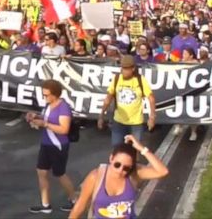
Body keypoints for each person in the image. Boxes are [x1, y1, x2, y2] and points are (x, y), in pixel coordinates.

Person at [69, 135, 169, 219]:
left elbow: (163, 171)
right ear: (111, 158)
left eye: (126, 168)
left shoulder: (134, 174)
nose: (120, 170)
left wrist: (142, 148)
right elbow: (80, 205)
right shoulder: (96, 176)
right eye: (117, 165)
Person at [26, 79, 76, 214]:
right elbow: (47, 117)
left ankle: (74, 200)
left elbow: (64, 129)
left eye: (47, 95)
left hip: (58, 145)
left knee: (60, 174)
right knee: (41, 172)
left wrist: (45, 124)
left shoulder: (63, 107)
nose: (45, 97)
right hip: (46, 144)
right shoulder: (49, 105)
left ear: (55, 94)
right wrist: (35, 116)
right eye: (44, 95)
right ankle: (45, 204)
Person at [97, 55, 156, 146]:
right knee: (117, 149)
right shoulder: (117, 78)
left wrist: (152, 117)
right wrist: (101, 115)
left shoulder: (140, 80)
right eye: (122, 68)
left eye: (126, 68)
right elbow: (108, 98)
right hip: (118, 122)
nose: (123, 71)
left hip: (136, 123)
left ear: (133, 68)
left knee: (136, 149)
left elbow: (151, 98)